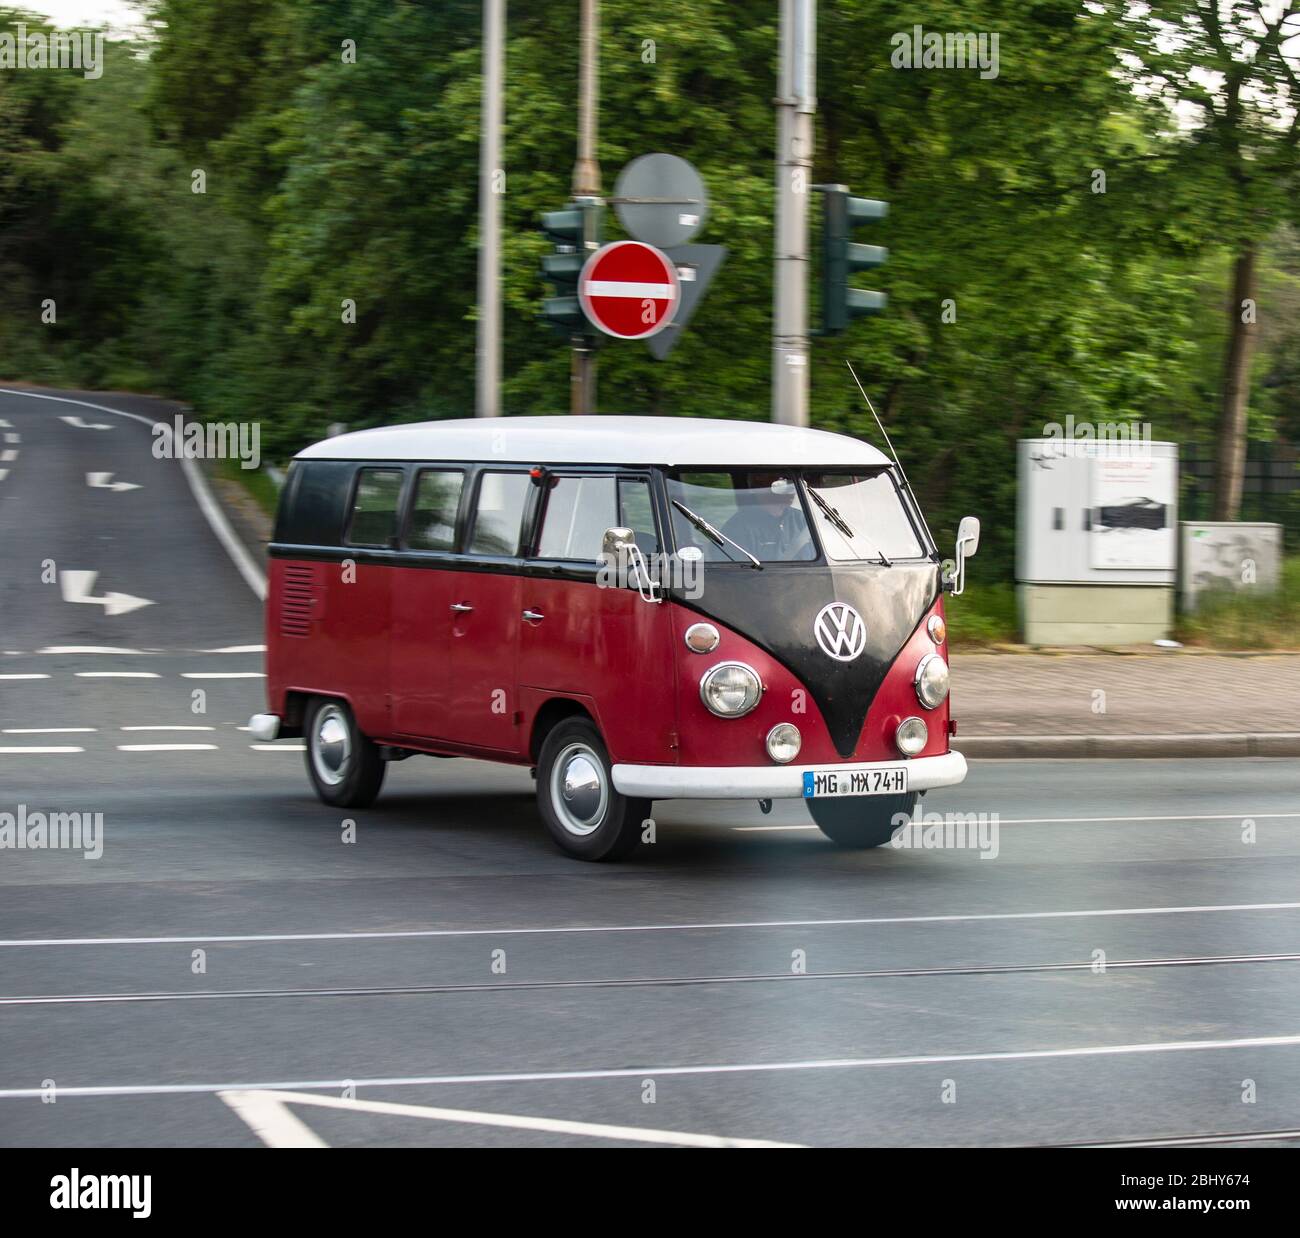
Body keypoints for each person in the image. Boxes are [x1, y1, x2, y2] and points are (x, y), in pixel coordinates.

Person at [721, 473, 811, 560]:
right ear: (761, 488)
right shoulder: (738, 527)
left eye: (793, 485)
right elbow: (740, 570)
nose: (792, 491)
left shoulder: (802, 519)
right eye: (782, 485)